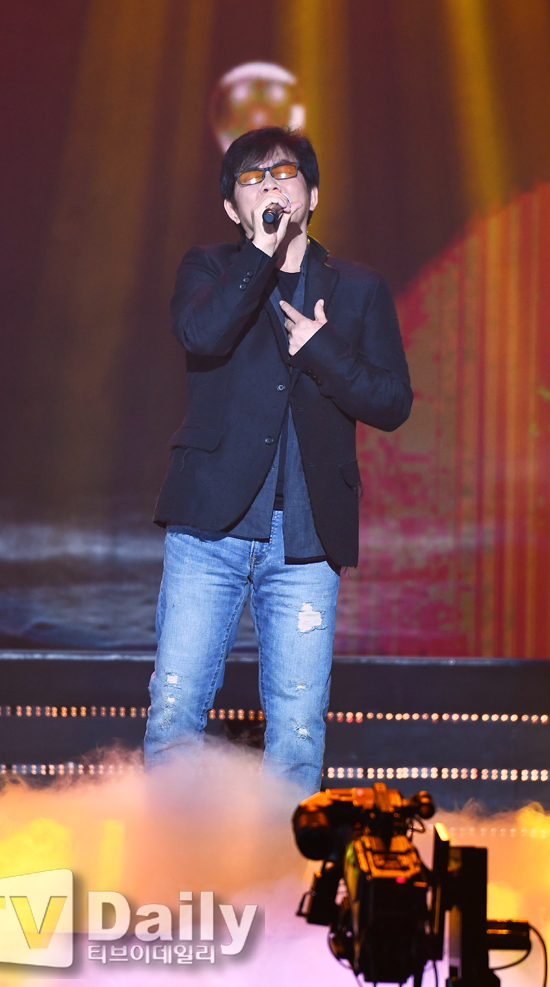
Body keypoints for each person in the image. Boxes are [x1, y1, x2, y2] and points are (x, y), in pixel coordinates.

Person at [144, 127, 412, 796]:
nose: (269, 184)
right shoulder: (209, 269)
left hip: (306, 538)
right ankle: (169, 852)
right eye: (251, 178)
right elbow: (201, 334)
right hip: (209, 527)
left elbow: (391, 401)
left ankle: (284, 859)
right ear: (232, 208)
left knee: (296, 728)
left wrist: (324, 350)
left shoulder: (358, 288)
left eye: (284, 172)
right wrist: (259, 253)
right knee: (176, 708)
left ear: (312, 194)